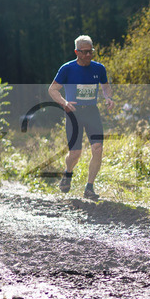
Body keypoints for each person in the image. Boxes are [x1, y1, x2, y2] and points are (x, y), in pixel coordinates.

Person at [48, 35, 114, 200]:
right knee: (75, 153)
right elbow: (52, 90)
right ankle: (68, 173)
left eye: (90, 51)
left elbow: (105, 86)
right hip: (73, 113)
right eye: (84, 52)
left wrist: (108, 97)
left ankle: (89, 187)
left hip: (92, 112)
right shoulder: (67, 68)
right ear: (76, 52)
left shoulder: (99, 68)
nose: (88, 55)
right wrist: (64, 102)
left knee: (97, 148)